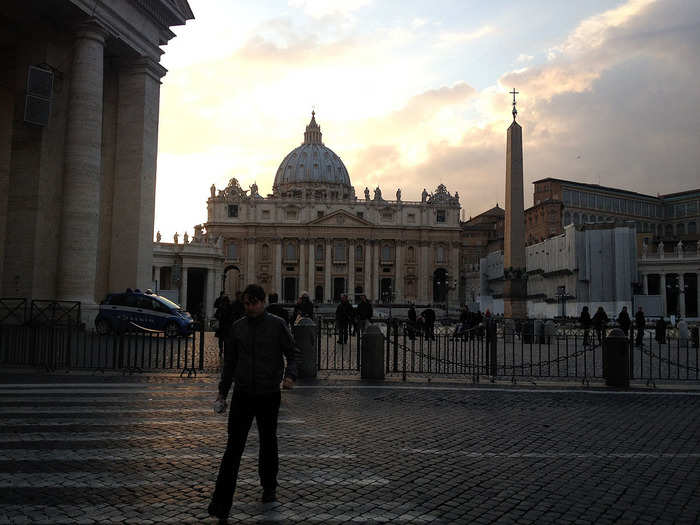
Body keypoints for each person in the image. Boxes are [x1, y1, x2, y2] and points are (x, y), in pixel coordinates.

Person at [208, 284, 299, 521]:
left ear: (262, 302)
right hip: (243, 394)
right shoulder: (238, 328)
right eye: (246, 304)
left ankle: (269, 484)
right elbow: (229, 365)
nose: (249, 307)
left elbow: (292, 353)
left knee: (268, 442)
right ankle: (221, 502)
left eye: (253, 303)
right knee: (233, 448)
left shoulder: (277, 325)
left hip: (268, 393)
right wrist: (222, 393)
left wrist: (290, 375)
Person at [214, 293, 231, 357]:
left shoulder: (221, 307)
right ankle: (224, 350)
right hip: (226, 326)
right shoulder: (228, 307)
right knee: (225, 340)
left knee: (222, 340)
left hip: (222, 326)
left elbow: (216, 315)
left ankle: (221, 350)